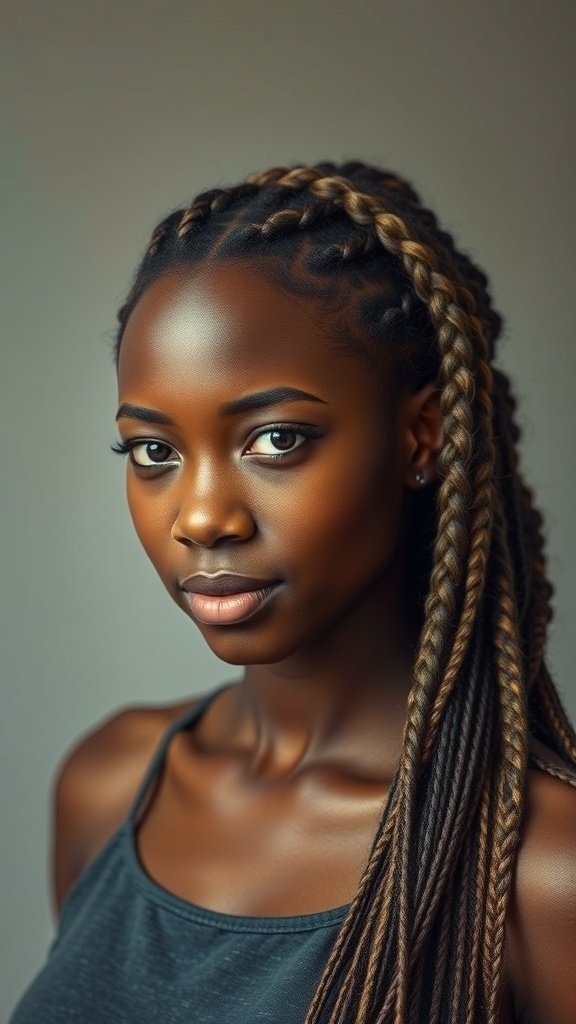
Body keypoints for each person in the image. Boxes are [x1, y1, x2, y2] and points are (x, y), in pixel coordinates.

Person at [10, 162, 576, 1024]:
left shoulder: (543, 876)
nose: (201, 518)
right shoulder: (109, 784)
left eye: (276, 439)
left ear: (422, 435)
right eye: (154, 452)